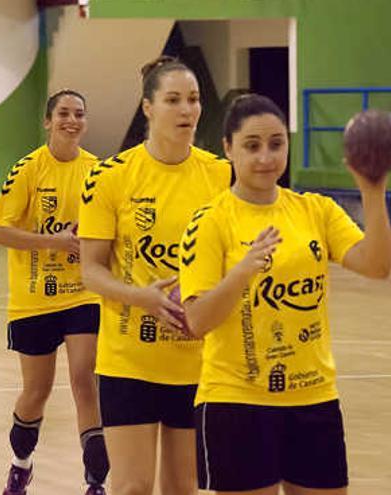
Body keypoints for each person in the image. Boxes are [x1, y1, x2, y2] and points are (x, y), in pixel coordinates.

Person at [177, 93, 391, 494]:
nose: (266, 158)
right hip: (237, 402)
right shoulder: (210, 222)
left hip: (314, 399)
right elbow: (197, 320)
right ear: (228, 148)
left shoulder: (315, 210)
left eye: (277, 144)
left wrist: (374, 191)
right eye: (252, 146)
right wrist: (242, 271)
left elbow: (376, 266)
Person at [78, 56, 232, 495]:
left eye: (195, 99)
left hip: (197, 360)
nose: (187, 110)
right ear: (148, 107)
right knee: (132, 487)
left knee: (183, 488)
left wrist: (206, 290)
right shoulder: (110, 177)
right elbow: (90, 270)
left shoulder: (219, 173)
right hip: (129, 360)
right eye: (173, 100)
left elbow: (230, 258)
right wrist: (140, 297)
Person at [0, 89, 107, 495]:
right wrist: (53, 243)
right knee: (35, 392)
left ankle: (96, 482)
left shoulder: (97, 171)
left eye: (78, 113)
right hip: (34, 298)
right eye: (63, 113)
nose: (71, 120)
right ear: (47, 121)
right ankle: (21, 465)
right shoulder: (27, 170)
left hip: (82, 295)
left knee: (84, 380)